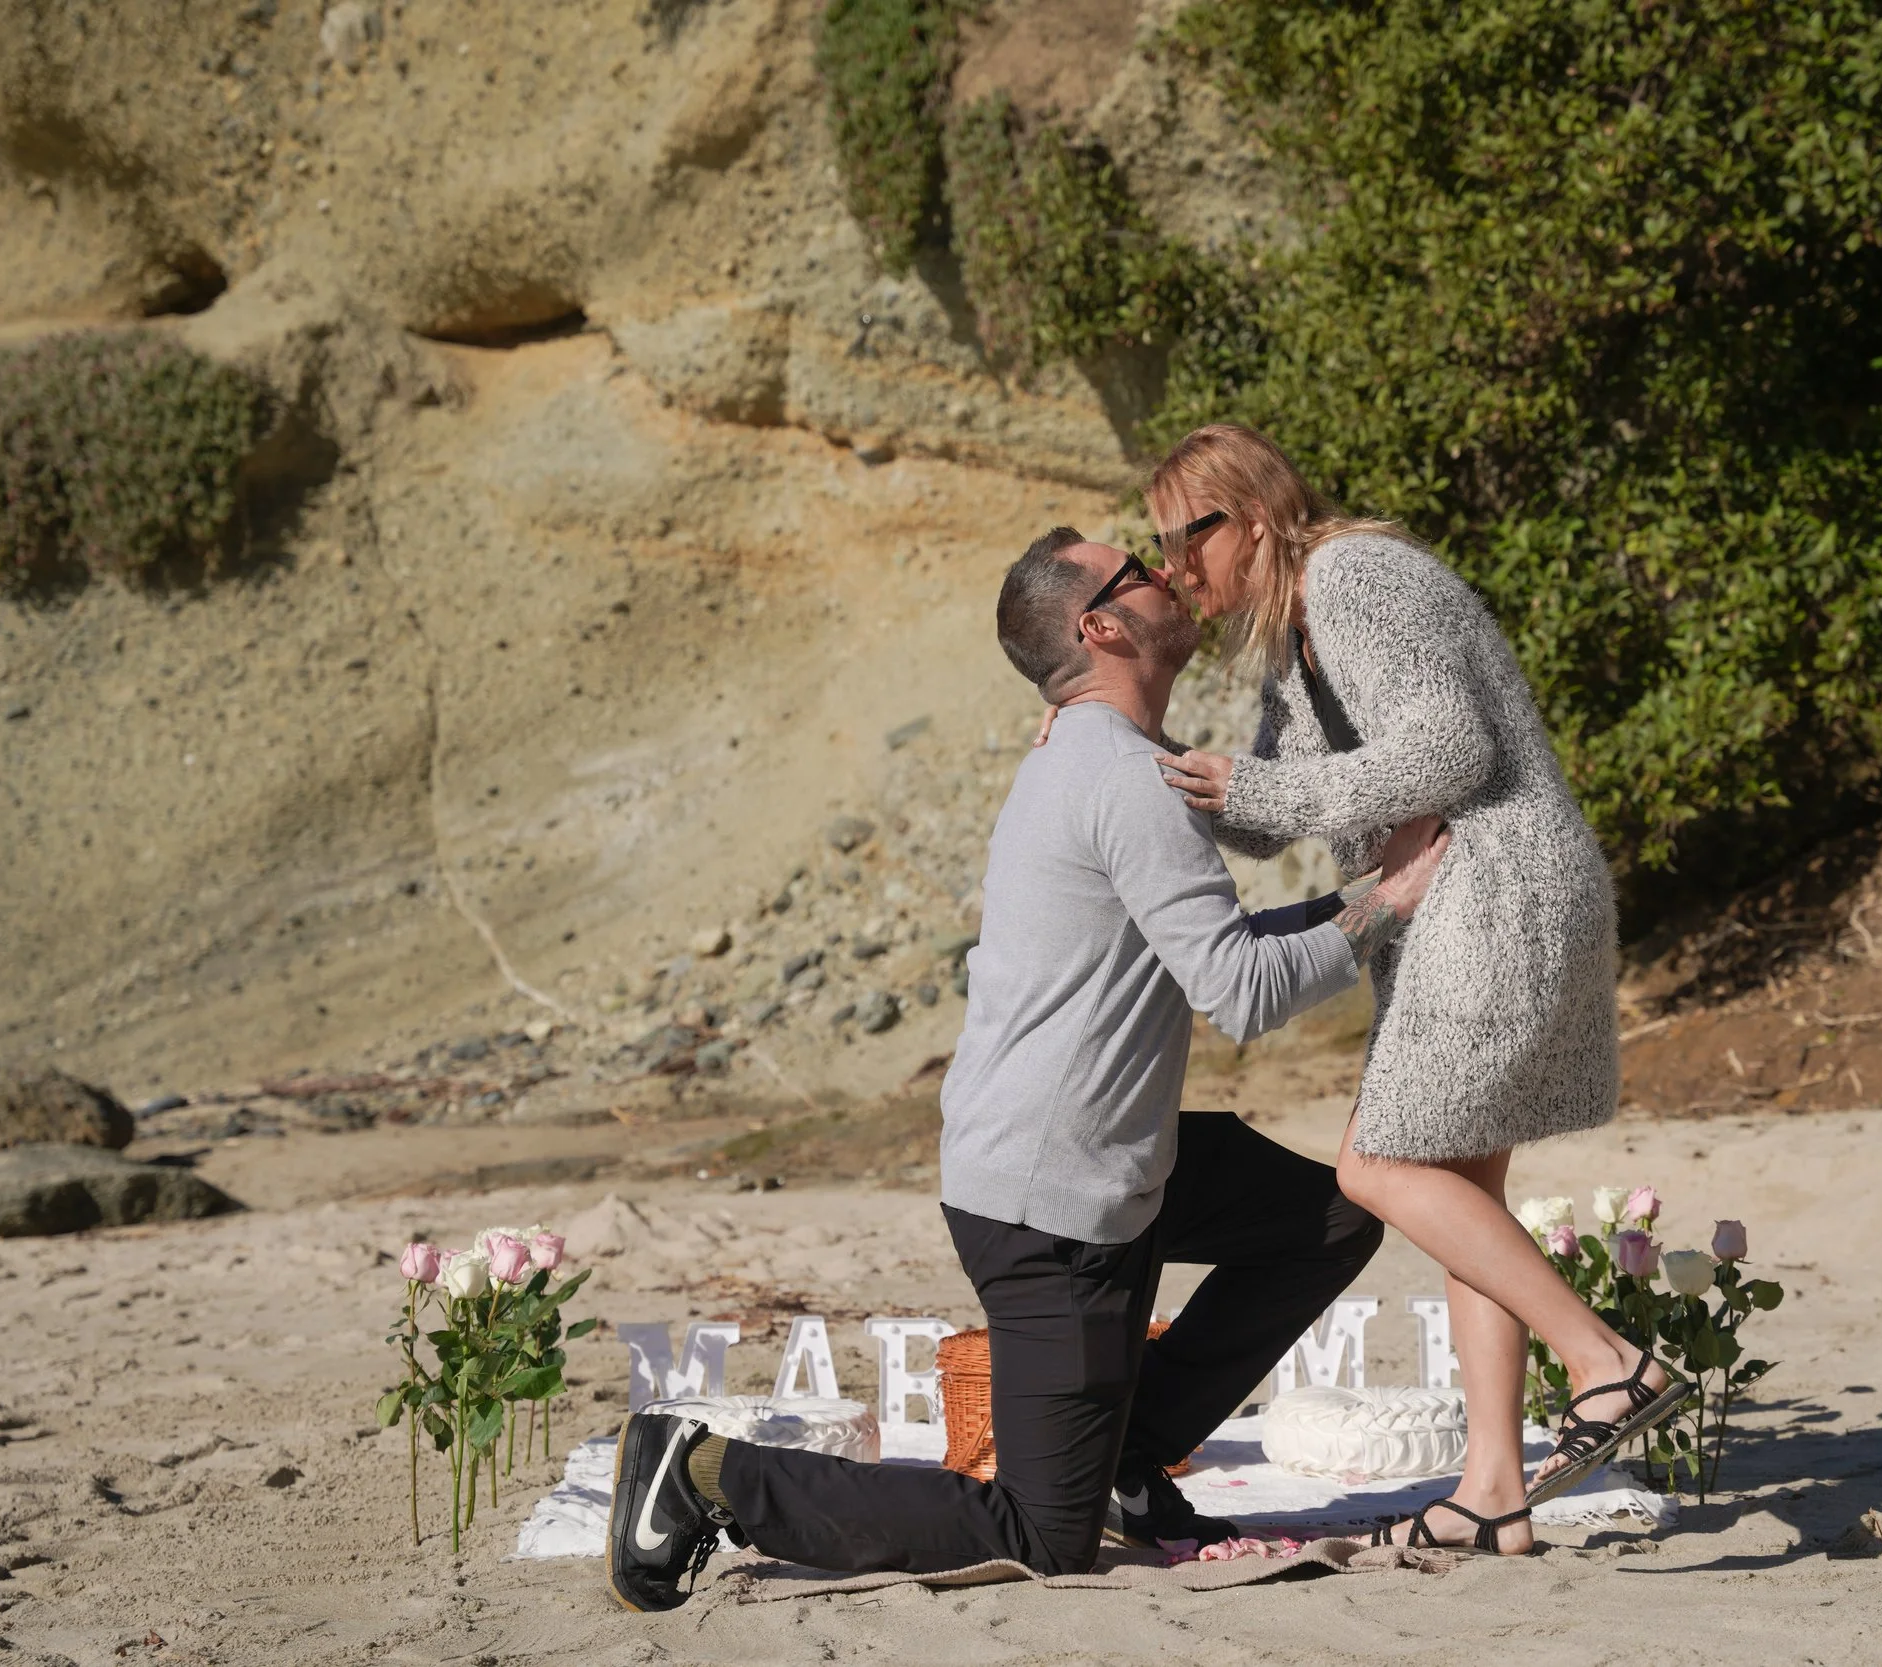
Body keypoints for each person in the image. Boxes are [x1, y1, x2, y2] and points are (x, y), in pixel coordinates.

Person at [606, 525, 1452, 1610]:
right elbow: (1239, 994)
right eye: (1139, 569)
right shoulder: (1125, 777)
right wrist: (1387, 903)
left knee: (1324, 1218)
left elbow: (1222, 950)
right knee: (1044, 1533)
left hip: (1108, 1158)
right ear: (1101, 624)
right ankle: (704, 1473)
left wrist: (1367, 893)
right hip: (1054, 1205)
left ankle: (1130, 1462)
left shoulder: (1100, 760)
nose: (1168, 571)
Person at [1143, 423, 1686, 1557]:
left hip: (1493, 892)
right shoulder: (1293, 643)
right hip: (1478, 898)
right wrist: (1135, 748)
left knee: (1375, 1164)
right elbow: (1289, 806)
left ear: (1253, 516)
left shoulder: (1350, 576)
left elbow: (1448, 746)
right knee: (1457, 1191)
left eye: (1189, 536)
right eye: (1156, 546)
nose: (1178, 566)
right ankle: (1493, 1486)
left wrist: (1253, 785)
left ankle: (1607, 1361)